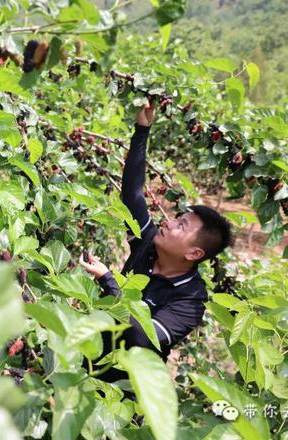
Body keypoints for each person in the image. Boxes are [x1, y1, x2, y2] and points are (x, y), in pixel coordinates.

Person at [79, 103, 233, 383]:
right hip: (86, 358)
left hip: (124, 387)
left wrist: (108, 280)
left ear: (194, 252)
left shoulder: (191, 301)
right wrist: (142, 131)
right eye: (176, 218)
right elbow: (133, 196)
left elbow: (142, 337)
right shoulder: (149, 245)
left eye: (181, 226)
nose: (167, 222)